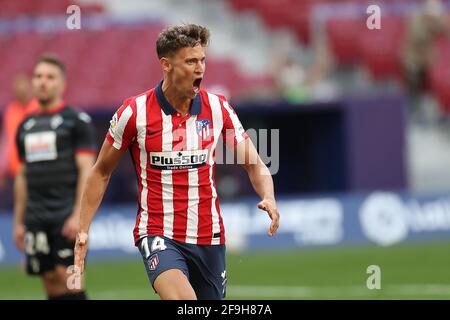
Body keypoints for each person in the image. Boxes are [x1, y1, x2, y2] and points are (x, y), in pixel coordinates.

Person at [74, 24, 280, 300]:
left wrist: (268, 196)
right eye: (191, 61)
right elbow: (100, 172)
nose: (200, 69)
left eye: (203, 60)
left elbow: (254, 163)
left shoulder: (218, 108)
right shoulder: (134, 112)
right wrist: (83, 230)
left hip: (209, 236)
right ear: (166, 65)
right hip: (158, 232)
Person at [14, 54, 97, 300]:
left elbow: (87, 171)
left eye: (50, 77)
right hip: (36, 217)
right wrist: (20, 221)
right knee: (50, 280)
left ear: (62, 84)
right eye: (38, 76)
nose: (42, 82)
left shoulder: (76, 122)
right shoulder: (25, 125)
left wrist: (78, 216)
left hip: (65, 215)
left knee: (70, 279)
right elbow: (22, 176)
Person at [0, 74, 38, 188]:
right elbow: (7, 140)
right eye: (17, 88)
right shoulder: (10, 110)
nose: (20, 90)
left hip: (34, 171)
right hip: (14, 172)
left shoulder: (38, 107)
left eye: (23, 86)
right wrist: (1, 170)